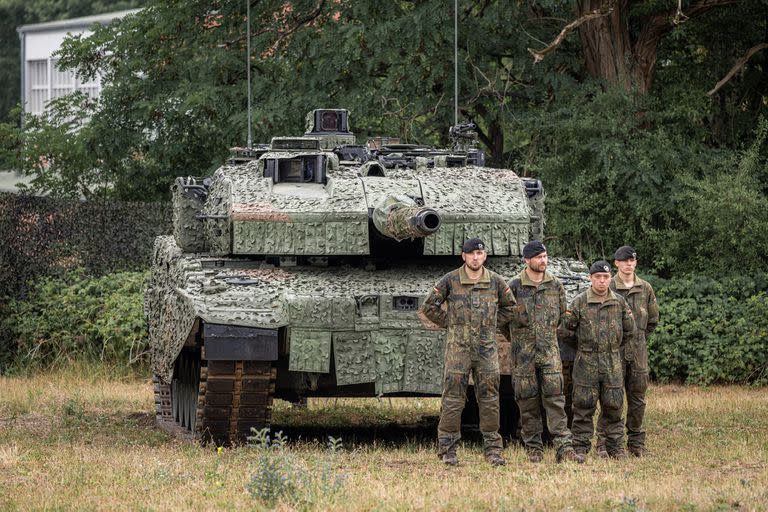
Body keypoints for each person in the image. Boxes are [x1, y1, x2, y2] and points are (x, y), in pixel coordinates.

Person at [420, 237, 522, 466]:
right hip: (459, 349)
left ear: (484, 255)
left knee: (489, 399)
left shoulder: (495, 281)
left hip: (486, 349)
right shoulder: (451, 280)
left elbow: (511, 307)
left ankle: (493, 449)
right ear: (463, 256)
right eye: (471, 254)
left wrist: (493, 323)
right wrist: (451, 323)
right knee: (453, 399)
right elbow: (429, 306)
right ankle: (448, 449)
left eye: (479, 254)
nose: (476, 258)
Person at [508, 240, 584, 464]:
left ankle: (563, 446)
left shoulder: (556, 285)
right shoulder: (514, 287)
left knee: (556, 399)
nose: (544, 261)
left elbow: (563, 318)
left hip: (550, 353)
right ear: (527, 260)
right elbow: (503, 321)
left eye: (545, 256)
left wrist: (550, 337)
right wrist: (519, 340)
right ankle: (534, 448)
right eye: (539, 257)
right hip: (523, 355)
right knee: (527, 401)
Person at [558, 260, 635, 458]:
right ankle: (580, 447)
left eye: (606, 277)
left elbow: (629, 330)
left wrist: (612, 346)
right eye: (597, 277)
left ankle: (615, 447)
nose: (602, 281)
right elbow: (565, 331)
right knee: (583, 407)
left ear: (610, 278)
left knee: (614, 406)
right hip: (586, 362)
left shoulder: (619, 302)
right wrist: (584, 347)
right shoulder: (579, 302)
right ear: (591, 278)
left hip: (612, 362)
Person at [595, 246, 659, 457]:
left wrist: (638, 339)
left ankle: (636, 444)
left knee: (638, 398)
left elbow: (652, 320)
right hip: (614, 351)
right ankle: (605, 443)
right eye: (624, 261)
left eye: (631, 260)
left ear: (635, 263)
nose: (629, 264)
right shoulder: (608, 286)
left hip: (638, 351)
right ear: (617, 263)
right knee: (611, 397)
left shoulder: (645, 288)